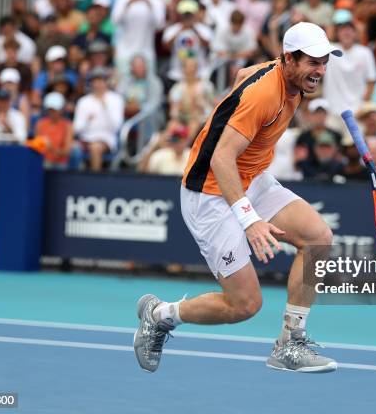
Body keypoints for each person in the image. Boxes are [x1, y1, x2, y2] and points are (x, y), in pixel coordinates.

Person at [133, 22, 341, 374]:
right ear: (289, 58)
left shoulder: (283, 77)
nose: (320, 71)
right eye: (312, 62)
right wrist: (249, 219)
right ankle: (159, 315)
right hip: (210, 192)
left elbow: (244, 73)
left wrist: (229, 110)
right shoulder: (264, 94)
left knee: (318, 238)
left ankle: (290, 343)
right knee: (244, 305)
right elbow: (220, 158)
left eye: (324, 62)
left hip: (251, 178)